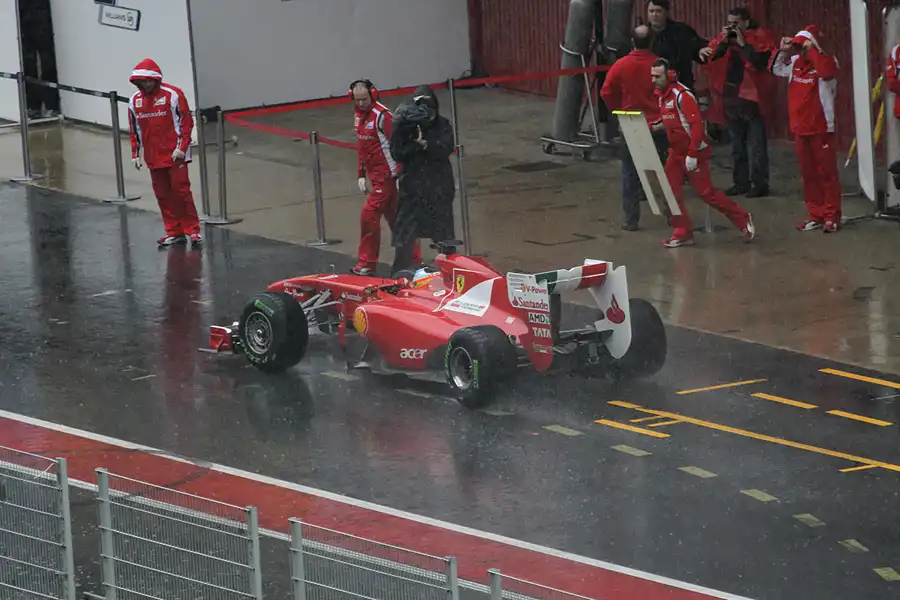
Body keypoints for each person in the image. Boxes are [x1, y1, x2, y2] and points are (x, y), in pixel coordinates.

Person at [650, 59, 755, 247]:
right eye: (652, 76)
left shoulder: (682, 95)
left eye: (657, 76)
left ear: (669, 75)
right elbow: (671, 118)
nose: (653, 80)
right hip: (675, 152)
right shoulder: (661, 95)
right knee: (671, 192)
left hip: (694, 152)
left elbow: (697, 125)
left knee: (707, 194)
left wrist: (692, 153)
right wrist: (655, 125)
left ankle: (743, 218)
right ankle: (682, 232)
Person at [769, 25, 841, 233]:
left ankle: (831, 215)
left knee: (827, 174)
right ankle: (816, 214)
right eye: (798, 47)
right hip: (800, 128)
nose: (799, 51)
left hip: (821, 128)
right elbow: (775, 68)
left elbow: (826, 73)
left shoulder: (827, 62)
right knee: (808, 174)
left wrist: (811, 49)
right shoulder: (794, 63)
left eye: (803, 46)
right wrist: (783, 49)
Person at [128, 58, 202, 247]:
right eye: (142, 81)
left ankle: (192, 230)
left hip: (175, 154)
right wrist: (135, 153)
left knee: (181, 192)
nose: (146, 84)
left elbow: (186, 122)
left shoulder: (173, 95)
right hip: (153, 157)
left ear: (156, 79)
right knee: (162, 194)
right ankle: (174, 231)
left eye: (148, 80)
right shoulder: (134, 100)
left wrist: (182, 148)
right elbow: (135, 128)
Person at [601, 25, 669, 231]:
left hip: (631, 124)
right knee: (666, 173)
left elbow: (606, 92)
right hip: (658, 126)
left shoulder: (621, 65)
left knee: (630, 173)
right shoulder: (660, 66)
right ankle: (673, 217)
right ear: (652, 42)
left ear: (632, 42)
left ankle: (631, 220)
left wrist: (619, 110)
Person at [349, 79, 420, 275]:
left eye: (364, 99)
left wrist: (400, 173)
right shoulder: (358, 116)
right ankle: (413, 260)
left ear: (373, 94)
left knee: (368, 214)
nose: (361, 103)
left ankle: (367, 262)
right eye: (357, 100)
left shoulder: (383, 116)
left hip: (388, 177)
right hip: (375, 176)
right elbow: (363, 147)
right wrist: (361, 173)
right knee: (397, 219)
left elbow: (399, 144)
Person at [705, 7, 776, 197]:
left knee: (756, 146)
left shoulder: (759, 36)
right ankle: (740, 182)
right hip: (731, 98)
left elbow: (760, 62)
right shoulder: (725, 39)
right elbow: (712, 57)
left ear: (745, 23)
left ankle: (760, 184)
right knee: (737, 146)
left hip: (753, 100)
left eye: (736, 24)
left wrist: (743, 42)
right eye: (729, 23)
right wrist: (725, 41)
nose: (732, 27)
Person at [389, 85, 456, 275]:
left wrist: (426, 144)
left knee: (444, 233)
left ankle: (450, 272)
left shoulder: (442, 124)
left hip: (438, 185)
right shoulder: (405, 125)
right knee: (405, 234)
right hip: (412, 186)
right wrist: (413, 144)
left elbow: (446, 147)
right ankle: (399, 274)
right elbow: (397, 153)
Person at [647, 0, 709, 90]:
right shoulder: (643, 35)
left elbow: (697, 46)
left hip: (681, 85)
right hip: (653, 87)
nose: (654, 15)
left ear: (666, 12)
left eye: (658, 11)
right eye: (651, 11)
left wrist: (700, 50)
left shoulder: (681, 31)